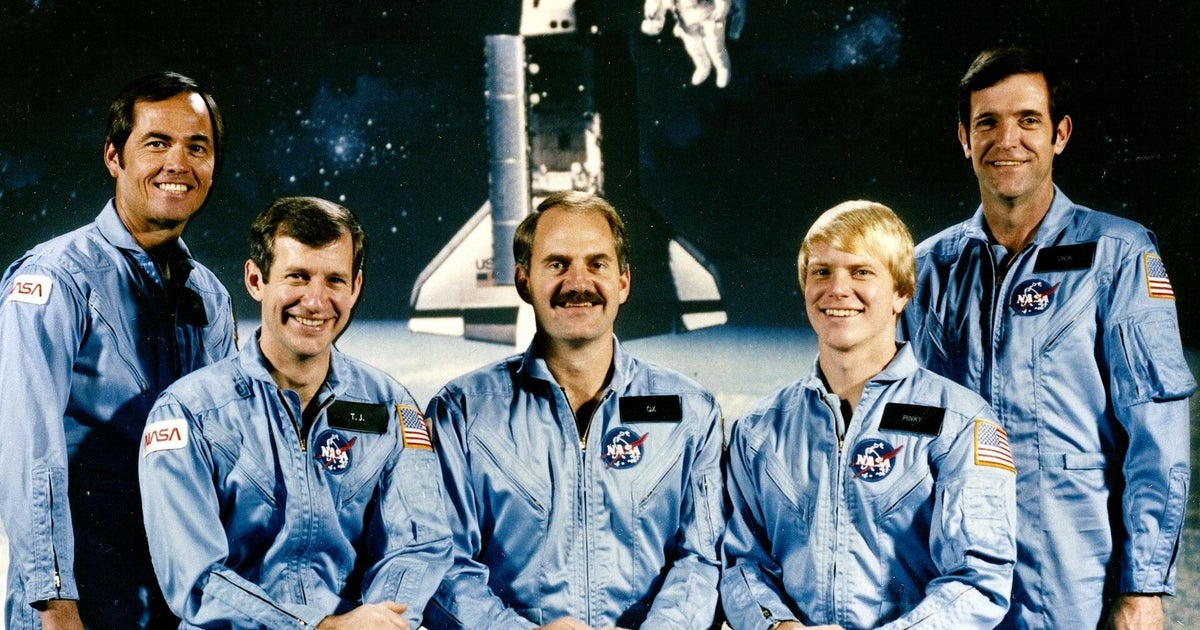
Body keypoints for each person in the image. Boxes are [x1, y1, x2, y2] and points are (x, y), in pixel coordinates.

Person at [903, 47, 1195, 630]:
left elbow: (1156, 438)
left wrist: (1142, 587)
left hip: (1073, 576)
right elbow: (900, 424)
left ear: (1060, 134)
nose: (1006, 140)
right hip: (951, 576)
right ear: (964, 138)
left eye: (1028, 120)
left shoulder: (1117, 255)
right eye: (987, 122)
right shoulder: (927, 270)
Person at [137, 196, 452, 629]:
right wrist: (319, 626)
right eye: (297, 277)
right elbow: (197, 579)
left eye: (335, 280)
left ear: (355, 286)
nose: (316, 301)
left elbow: (418, 544)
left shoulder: (389, 406)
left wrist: (381, 620)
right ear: (255, 280)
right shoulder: (187, 414)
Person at [424, 191, 725, 629]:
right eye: (557, 264)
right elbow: (442, 565)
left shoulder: (691, 413)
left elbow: (702, 559)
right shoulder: (462, 414)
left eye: (597, 264)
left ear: (623, 282)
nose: (578, 282)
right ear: (524, 281)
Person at [0, 71, 235, 629]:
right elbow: (29, 450)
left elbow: (225, 458)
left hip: (176, 601)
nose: (178, 164)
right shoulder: (54, 280)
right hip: (81, 598)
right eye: (157, 143)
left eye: (197, 147)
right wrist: (53, 600)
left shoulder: (210, 297)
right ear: (114, 156)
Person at [721, 200, 1017, 629]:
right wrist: (778, 626)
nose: (838, 289)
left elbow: (979, 581)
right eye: (822, 272)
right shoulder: (760, 429)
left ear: (901, 292)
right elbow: (742, 562)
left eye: (861, 272)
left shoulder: (961, 423)